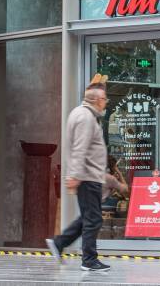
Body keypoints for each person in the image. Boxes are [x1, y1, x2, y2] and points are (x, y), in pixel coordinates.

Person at [46, 79, 111, 272]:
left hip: (88, 175)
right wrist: (74, 175)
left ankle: (59, 243)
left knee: (89, 217)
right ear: (97, 100)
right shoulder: (85, 117)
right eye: (105, 99)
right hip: (88, 177)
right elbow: (79, 149)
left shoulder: (83, 114)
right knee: (93, 219)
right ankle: (89, 260)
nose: (106, 102)